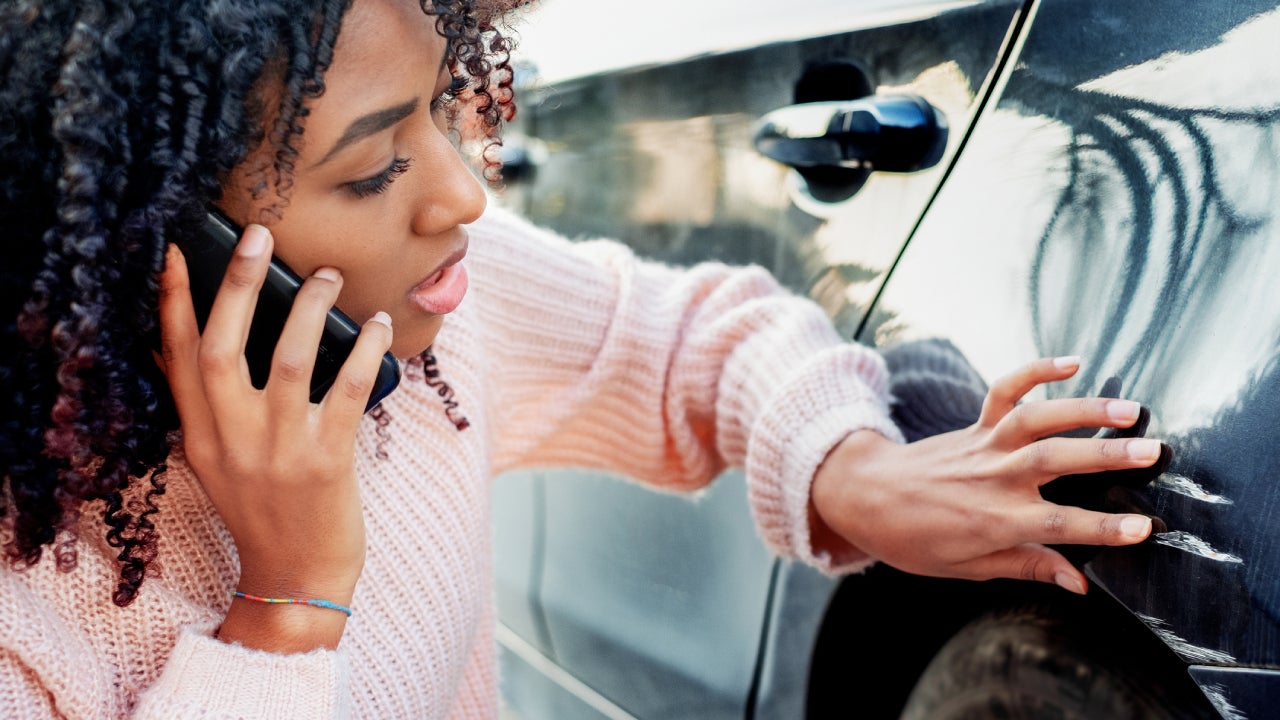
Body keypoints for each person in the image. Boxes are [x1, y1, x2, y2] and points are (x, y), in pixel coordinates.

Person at [0, 0, 1165, 716]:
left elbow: (691, 342)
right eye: (371, 170)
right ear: (146, 241)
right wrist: (285, 609)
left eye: (440, 113)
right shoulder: (29, 597)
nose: (463, 192)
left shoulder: (431, 319)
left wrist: (848, 471)